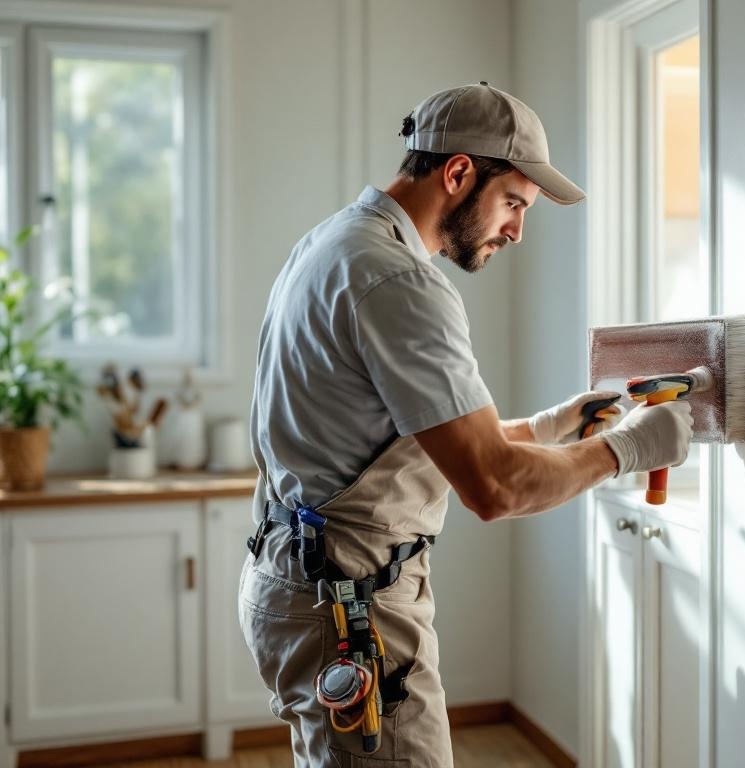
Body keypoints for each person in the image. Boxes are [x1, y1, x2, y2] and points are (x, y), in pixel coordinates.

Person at [240, 82, 693, 768]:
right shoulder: (400, 283)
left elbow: (409, 442)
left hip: (299, 584)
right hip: (351, 612)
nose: (516, 229)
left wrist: (546, 428)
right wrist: (627, 450)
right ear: (457, 173)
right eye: (513, 203)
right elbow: (494, 487)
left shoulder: (333, 243)